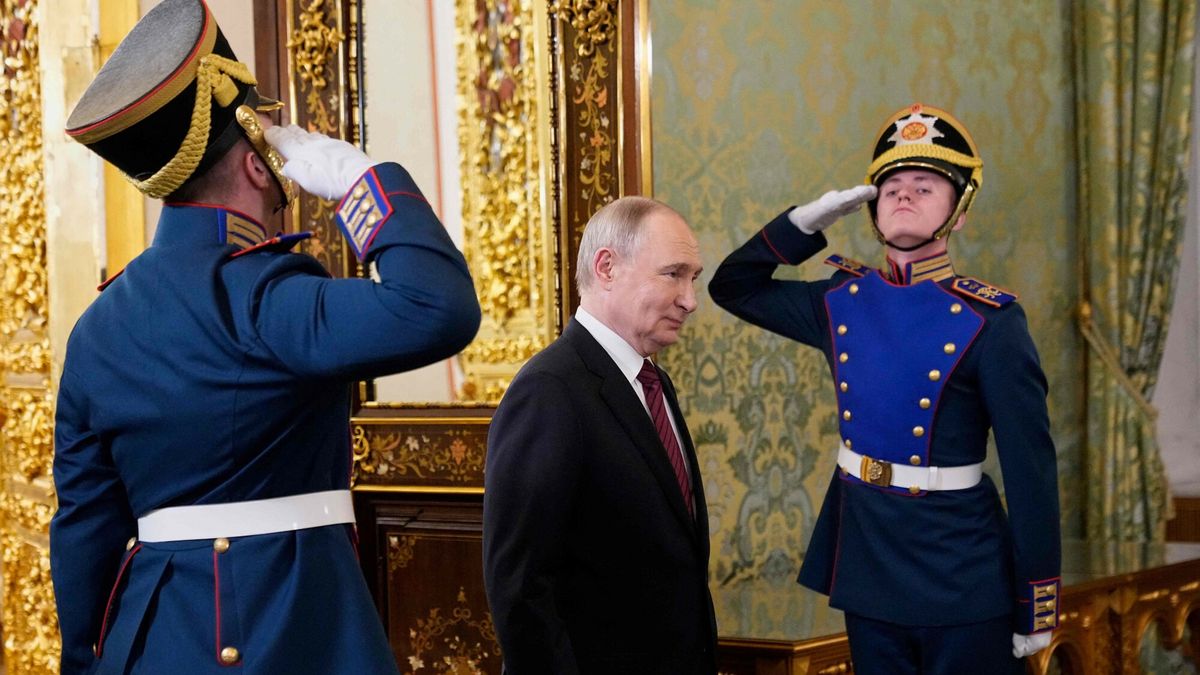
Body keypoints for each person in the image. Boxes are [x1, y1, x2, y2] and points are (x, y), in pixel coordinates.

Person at [50, 0, 480, 673]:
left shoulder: (95, 331)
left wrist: (86, 662)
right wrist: (360, 180)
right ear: (258, 163)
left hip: (150, 643)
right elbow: (439, 305)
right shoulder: (268, 298)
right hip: (296, 631)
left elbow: (83, 536)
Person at [709, 103, 1060, 674]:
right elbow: (733, 287)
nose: (903, 195)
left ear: (959, 212)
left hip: (960, 569)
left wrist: (1036, 603)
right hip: (869, 561)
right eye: (891, 185)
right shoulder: (841, 302)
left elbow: (1031, 472)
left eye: (925, 186)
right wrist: (804, 223)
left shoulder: (991, 321)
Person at [482, 196, 717, 674]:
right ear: (607, 267)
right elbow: (519, 587)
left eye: (693, 278)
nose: (690, 299)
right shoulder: (549, 391)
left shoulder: (651, 380)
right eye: (673, 274)